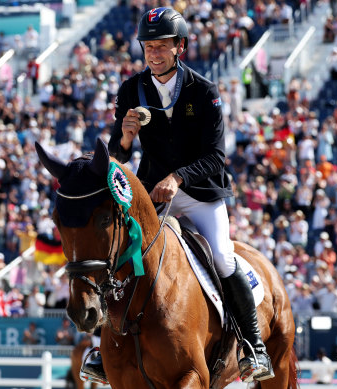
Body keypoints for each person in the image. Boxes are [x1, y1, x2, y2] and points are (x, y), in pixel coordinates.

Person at [101, 7, 273, 384]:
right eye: (148, 46)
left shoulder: (204, 91)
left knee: (224, 259)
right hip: (151, 194)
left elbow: (216, 156)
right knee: (119, 257)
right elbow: (117, 155)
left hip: (199, 193)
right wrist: (125, 138)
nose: (153, 53)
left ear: (180, 46)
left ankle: (253, 344)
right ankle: (107, 351)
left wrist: (178, 178)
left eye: (161, 46)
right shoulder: (131, 89)